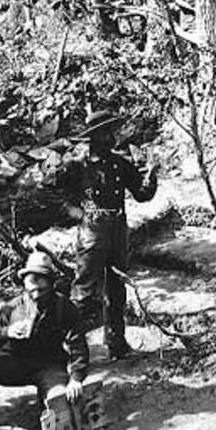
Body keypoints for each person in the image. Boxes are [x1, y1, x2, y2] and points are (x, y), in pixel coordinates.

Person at [60, 108, 159, 361]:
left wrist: (151, 174)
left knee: (116, 290)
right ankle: (73, 350)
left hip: (118, 231)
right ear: (95, 136)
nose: (113, 137)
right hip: (92, 233)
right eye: (107, 133)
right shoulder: (76, 165)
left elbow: (142, 194)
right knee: (83, 292)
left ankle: (117, 345)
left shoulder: (120, 163)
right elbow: (57, 194)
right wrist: (79, 214)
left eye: (112, 132)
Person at [0, 251, 88, 430]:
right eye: (30, 284)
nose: (35, 290)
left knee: (55, 401)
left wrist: (76, 378)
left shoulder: (64, 307)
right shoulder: (12, 308)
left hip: (49, 367)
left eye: (41, 284)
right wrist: (7, 332)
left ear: (51, 282)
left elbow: (78, 344)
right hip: (16, 365)